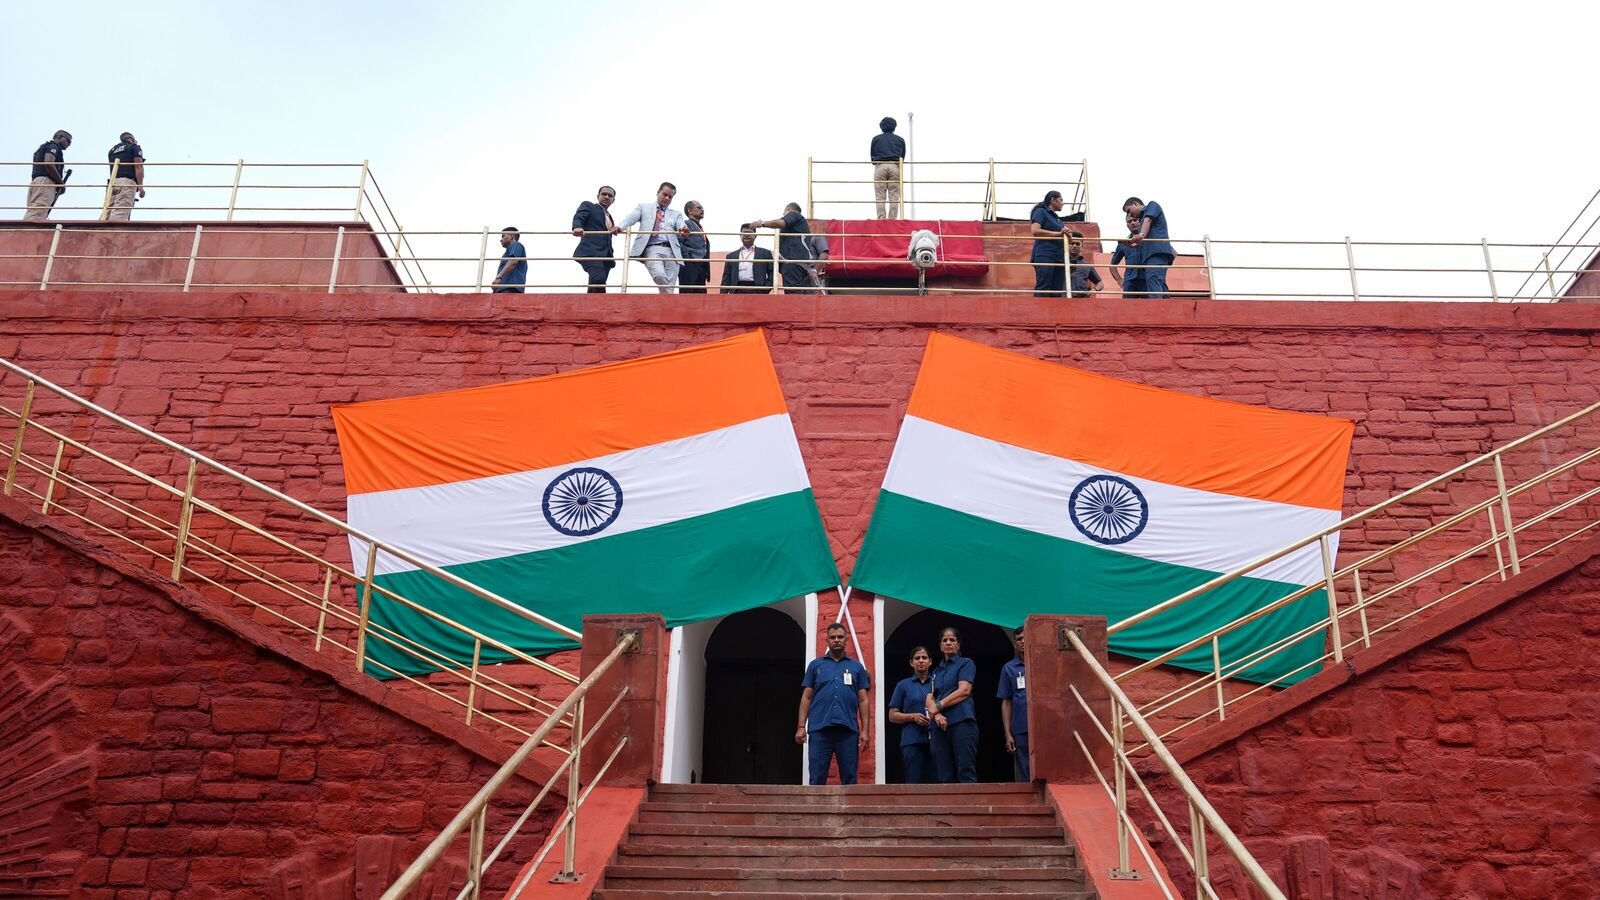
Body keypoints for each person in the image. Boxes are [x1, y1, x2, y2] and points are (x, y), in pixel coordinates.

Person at [796, 622, 871, 785]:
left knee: (850, 777)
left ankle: (849, 811)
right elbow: (806, 697)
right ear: (827, 640)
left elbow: (864, 700)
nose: (836, 640)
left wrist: (865, 731)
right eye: (833, 637)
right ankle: (816, 811)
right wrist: (801, 726)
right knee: (816, 777)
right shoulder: (816, 666)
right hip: (819, 729)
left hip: (848, 730)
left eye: (840, 637)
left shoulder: (856, 667)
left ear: (846, 640)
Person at [614, 182, 692, 293]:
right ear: (658, 193)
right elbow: (630, 218)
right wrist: (619, 227)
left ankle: (666, 306)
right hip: (652, 248)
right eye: (664, 194)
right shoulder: (643, 207)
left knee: (671, 283)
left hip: (673, 251)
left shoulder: (676, 214)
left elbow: (681, 224)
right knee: (659, 275)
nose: (667, 198)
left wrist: (683, 229)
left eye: (670, 197)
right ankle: (669, 301)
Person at [925, 626, 978, 784]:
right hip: (939, 726)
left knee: (965, 769)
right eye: (945, 640)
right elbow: (929, 697)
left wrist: (939, 705)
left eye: (952, 640)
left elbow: (964, 690)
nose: (948, 643)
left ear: (958, 645)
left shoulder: (965, 663)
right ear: (940, 646)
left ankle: (970, 808)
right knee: (943, 773)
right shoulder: (936, 671)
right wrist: (937, 714)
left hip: (961, 722)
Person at [749, 203, 826, 293]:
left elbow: (781, 223)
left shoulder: (794, 214)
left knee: (793, 294)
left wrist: (762, 223)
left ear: (789, 210)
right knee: (798, 292)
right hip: (798, 263)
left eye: (784, 214)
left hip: (792, 261)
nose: (784, 216)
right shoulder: (800, 225)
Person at [887, 645, 935, 784]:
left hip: (937, 740)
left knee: (938, 782)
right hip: (912, 741)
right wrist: (912, 717)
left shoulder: (937, 683)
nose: (921, 661)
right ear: (911, 662)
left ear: (930, 661)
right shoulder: (903, 685)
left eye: (924, 658)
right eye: (917, 658)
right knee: (913, 782)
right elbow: (892, 715)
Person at [1123, 197, 1174, 299]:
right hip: (1150, 258)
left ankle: (1157, 310)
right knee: (1154, 282)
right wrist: (1133, 244)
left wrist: (1140, 236)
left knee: (1153, 279)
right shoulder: (1142, 221)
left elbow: (1148, 220)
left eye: (1129, 210)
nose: (1129, 215)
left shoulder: (1152, 205)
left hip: (1156, 255)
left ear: (1135, 204)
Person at [997, 626, 1030, 781]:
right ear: (1015, 644)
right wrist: (1007, 733)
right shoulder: (1009, 668)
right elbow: (1006, 701)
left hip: (1043, 724)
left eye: (1025, 637)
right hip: (1020, 725)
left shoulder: (1042, 663)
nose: (1023, 642)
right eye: (1019, 639)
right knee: (1024, 766)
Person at [571, 185, 617, 293]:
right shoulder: (588, 206)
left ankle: (589, 306)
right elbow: (579, 217)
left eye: (610, 195)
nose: (606, 197)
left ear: (613, 200)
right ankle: (602, 306)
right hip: (590, 252)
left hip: (606, 256)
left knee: (595, 284)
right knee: (598, 279)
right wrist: (577, 227)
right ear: (598, 196)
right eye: (604, 194)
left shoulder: (610, 217)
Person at [1029, 191, 1072, 297]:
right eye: (1061, 200)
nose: (1063, 203)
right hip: (1045, 254)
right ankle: (1039, 312)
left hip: (1059, 257)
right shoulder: (1041, 212)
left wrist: (1068, 236)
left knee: (1057, 290)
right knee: (1044, 285)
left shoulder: (1058, 221)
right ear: (1053, 200)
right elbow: (1035, 230)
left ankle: (1054, 313)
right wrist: (1059, 233)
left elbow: (1066, 240)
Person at [25, 130, 72, 222]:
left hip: (37, 182)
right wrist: (61, 183)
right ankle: (29, 232)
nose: (69, 144)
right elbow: (49, 162)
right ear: (58, 137)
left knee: (35, 210)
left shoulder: (43, 147)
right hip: (46, 182)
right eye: (68, 141)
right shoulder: (53, 146)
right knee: (38, 211)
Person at [720, 224, 774, 293]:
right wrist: (722, 295)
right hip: (737, 290)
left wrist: (765, 288)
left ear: (755, 236)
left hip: (757, 290)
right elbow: (726, 277)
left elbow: (772, 273)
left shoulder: (765, 253)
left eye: (750, 232)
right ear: (740, 236)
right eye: (744, 232)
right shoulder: (731, 256)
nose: (747, 235)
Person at [870, 116, 906, 219]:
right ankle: (892, 220)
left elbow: (872, 158)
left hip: (880, 165)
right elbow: (902, 157)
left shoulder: (876, 139)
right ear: (894, 127)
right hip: (895, 166)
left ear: (881, 127)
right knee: (894, 195)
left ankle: (881, 219)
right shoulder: (900, 140)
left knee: (880, 195)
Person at [104, 132, 145, 222]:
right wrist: (140, 187)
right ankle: (114, 234)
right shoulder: (134, 147)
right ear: (131, 138)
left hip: (112, 183)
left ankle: (99, 232)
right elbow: (138, 166)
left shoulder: (112, 151)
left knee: (106, 212)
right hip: (127, 183)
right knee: (120, 213)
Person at [1109, 212, 1145, 298]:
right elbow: (1112, 265)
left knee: (1150, 308)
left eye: (1135, 220)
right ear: (1127, 225)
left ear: (1141, 221)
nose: (1132, 223)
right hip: (1130, 282)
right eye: (1129, 221)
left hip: (1147, 279)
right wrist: (1119, 280)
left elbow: (1170, 252)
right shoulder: (1123, 243)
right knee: (1127, 309)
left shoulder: (1151, 240)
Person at [679, 201, 710, 293]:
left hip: (701, 266)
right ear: (690, 211)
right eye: (699, 208)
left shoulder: (699, 227)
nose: (702, 210)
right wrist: (687, 259)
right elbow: (679, 241)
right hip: (690, 265)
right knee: (688, 294)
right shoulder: (685, 224)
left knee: (701, 297)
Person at [491, 227, 526, 293]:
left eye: (503, 236)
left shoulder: (516, 245)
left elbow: (513, 261)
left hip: (509, 288)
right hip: (506, 288)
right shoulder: (510, 250)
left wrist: (499, 277)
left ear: (511, 236)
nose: (500, 240)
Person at [1068, 232, 1103, 299]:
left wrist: (1093, 291)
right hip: (1063, 299)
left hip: (1083, 300)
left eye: (1077, 244)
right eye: (1072, 243)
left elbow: (1100, 284)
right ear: (1067, 245)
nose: (1074, 246)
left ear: (1082, 246)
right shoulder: (1060, 262)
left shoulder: (1086, 265)